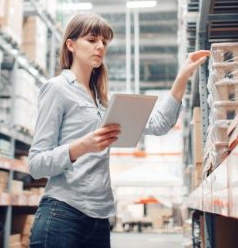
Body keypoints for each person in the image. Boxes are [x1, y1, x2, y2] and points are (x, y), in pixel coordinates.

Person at [28, 13, 209, 248]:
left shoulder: (104, 101)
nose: (100, 46)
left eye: (104, 42)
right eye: (92, 40)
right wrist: (83, 146)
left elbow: (159, 124)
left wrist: (182, 76)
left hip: (100, 219)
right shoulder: (57, 89)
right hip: (62, 215)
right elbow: (36, 164)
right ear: (70, 45)